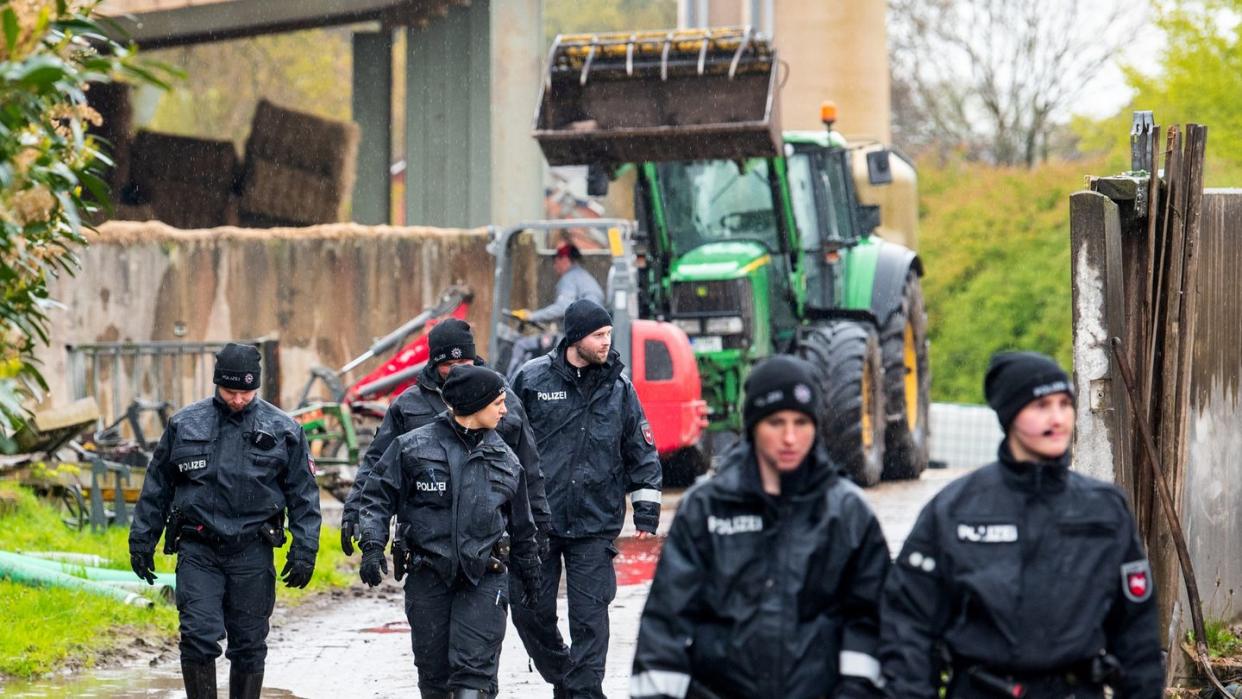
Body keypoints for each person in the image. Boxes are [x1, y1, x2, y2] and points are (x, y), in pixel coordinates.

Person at [879, 351, 1164, 698]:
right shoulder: (954, 510)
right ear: (1010, 414)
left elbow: (1138, 635)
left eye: (1064, 403)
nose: (1057, 418)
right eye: (1040, 405)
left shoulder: (1105, 509)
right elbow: (908, 625)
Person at [630, 355, 891, 699]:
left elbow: (872, 625)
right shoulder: (707, 510)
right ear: (753, 424)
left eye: (801, 422)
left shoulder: (846, 513)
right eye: (776, 422)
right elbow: (665, 626)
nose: (789, 437)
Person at [129, 343, 321, 699]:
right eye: (231, 391)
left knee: (248, 644)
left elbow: (303, 496)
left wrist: (305, 549)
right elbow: (157, 486)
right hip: (199, 548)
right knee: (198, 637)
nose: (238, 399)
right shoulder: (185, 424)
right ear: (217, 384)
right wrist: (142, 541)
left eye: (246, 392)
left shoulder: (284, 430)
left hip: (253, 549)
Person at [357, 364, 542, 699]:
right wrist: (372, 544)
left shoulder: (505, 460)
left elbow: (523, 525)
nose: (505, 409)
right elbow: (376, 497)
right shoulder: (412, 448)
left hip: (485, 577)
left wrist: (530, 575)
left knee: (472, 678)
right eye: (498, 402)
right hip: (428, 575)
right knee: (434, 677)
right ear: (474, 405)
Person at [509, 298, 663, 699]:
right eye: (599, 335)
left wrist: (646, 508)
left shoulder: (619, 388)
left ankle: (583, 692)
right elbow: (502, 444)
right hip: (538, 523)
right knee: (530, 613)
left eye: (609, 335)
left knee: (590, 620)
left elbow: (640, 447)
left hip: (594, 524)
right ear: (575, 337)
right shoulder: (531, 380)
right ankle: (567, 677)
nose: (606, 344)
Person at [340, 318, 550, 556]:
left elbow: (529, 468)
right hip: (428, 540)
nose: (458, 369)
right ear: (434, 362)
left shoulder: (504, 401)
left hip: (489, 538)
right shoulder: (408, 405)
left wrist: (539, 525)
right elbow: (378, 463)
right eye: (448, 363)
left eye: (463, 361)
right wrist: (354, 511)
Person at [512, 243, 606, 325]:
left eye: (556, 261)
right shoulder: (583, 276)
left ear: (564, 260)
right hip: (592, 329)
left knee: (523, 345)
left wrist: (532, 316)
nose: (554, 266)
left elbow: (563, 308)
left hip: (583, 333)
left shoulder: (569, 278)